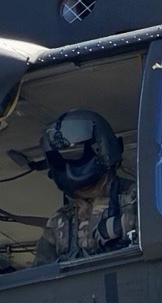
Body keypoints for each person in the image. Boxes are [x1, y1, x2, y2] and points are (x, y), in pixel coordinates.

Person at [32, 109, 137, 266]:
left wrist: (129, 225)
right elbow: (41, 272)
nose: (71, 168)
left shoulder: (138, 199)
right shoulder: (59, 220)